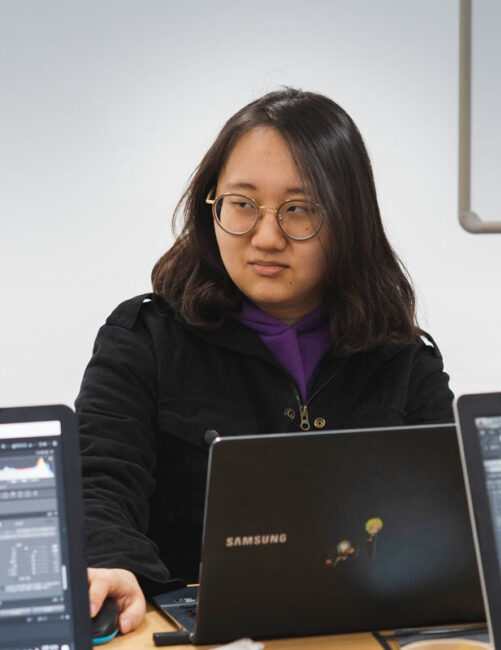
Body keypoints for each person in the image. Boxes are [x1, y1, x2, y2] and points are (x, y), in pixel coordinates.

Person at [76, 87, 454, 634]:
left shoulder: (404, 363)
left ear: (349, 220)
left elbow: (452, 519)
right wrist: (112, 562)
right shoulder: (145, 340)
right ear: (211, 205)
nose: (267, 237)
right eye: (243, 204)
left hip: (360, 629)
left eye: (299, 210)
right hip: (187, 632)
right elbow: (98, 483)